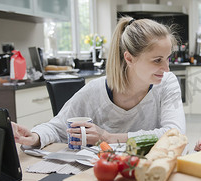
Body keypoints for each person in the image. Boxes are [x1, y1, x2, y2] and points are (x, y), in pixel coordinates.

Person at [13, 17, 185, 149]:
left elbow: (175, 134)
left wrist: (108, 137)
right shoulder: (94, 91)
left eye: (168, 59)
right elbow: (56, 128)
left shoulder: (166, 83)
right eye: (157, 60)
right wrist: (35, 136)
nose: (167, 69)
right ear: (129, 58)